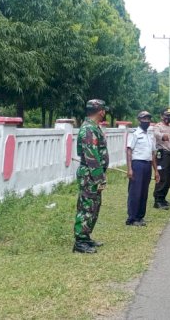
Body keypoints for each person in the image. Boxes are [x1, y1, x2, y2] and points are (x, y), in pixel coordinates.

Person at [73, 99, 110, 254]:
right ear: (100, 111)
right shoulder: (88, 129)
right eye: (104, 110)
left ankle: (86, 236)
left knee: (94, 206)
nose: (105, 112)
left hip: (92, 175)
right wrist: (99, 177)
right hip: (90, 175)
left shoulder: (94, 127)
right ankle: (80, 241)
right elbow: (91, 156)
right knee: (87, 207)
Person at [126, 111, 160, 226]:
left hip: (147, 165)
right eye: (144, 119)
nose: (146, 121)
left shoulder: (149, 136)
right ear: (139, 120)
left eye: (148, 119)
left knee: (144, 192)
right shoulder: (135, 134)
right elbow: (129, 151)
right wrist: (130, 169)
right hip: (137, 165)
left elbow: (153, 154)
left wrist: (156, 171)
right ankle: (132, 218)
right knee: (135, 192)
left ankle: (140, 216)